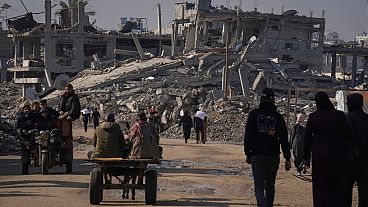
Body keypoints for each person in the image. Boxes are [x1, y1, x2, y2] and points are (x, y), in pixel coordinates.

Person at [302, 91, 353, 207]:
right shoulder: (339, 115)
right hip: (337, 154)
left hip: (319, 155)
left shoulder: (313, 117)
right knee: (336, 183)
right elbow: (349, 134)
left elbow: (307, 139)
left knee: (321, 184)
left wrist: (305, 157)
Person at [244, 88, 291, 207]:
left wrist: (248, 154)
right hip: (273, 156)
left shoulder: (254, 114)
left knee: (259, 186)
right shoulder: (278, 117)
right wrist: (287, 158)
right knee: (270, 186)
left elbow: (248, 136)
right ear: (273, 100)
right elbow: (284, 139)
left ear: (261, 99)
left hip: (257, 154)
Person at [346, 93, 368, 207]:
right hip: (365, 159)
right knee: (364, 189)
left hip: (350, 159)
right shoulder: (366, 118)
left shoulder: (348, 118)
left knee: (346, 188)